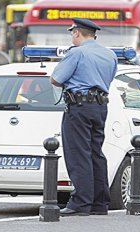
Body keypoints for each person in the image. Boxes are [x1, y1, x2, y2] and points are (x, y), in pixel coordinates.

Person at [50, 18, 117, 216]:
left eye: (72, 33)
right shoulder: (109, 54)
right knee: (96, 153)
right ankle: (99, 203)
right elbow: (109, 79)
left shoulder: (77, 53)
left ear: (77, 33)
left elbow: (55, 79)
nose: (72, 36)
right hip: (99, 106)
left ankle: (81, 202)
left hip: (79, 107)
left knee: (78, 154)